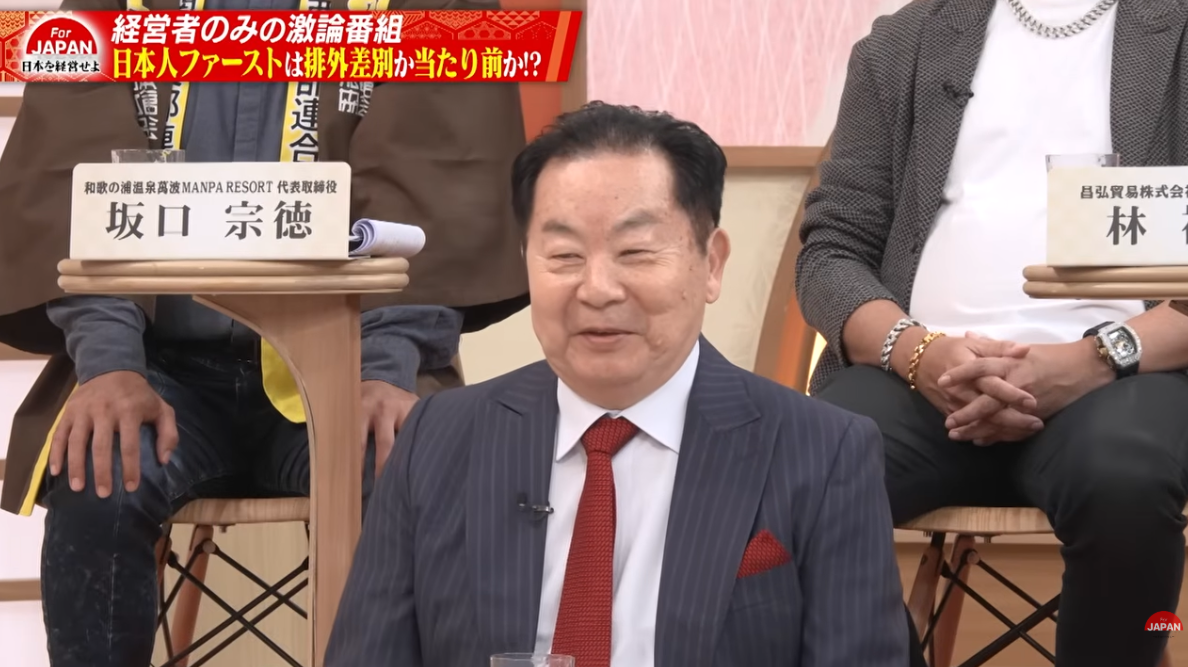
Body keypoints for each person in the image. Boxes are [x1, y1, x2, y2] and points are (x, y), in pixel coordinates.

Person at [0, 0, 528, 665]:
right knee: (97, 465)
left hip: (347, 356)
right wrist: (109, 363)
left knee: (407, 467)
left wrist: (384, 365)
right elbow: (75, 185)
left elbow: (432, 187)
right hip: (159, 368)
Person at [323, 101, 909, 667]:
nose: (598, 289)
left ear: (711, 263)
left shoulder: (825, 453)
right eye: (564, 255)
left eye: (635, 252)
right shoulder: (435, 440)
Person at [796, 0, 1188, 665]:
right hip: (921, 375)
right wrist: (922, 354)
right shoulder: (903, 43)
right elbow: (831, 253)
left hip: (1125, 374)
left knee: (1128, 482)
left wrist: (1091, 360)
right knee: (800, 472)